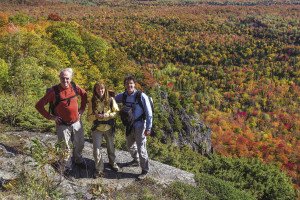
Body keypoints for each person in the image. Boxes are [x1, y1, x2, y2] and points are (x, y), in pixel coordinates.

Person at [35, 68, 87, 175]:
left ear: (71, 78)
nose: (65, 80)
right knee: (65, 147)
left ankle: (78, 159)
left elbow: (84, 94)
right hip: (62, 125)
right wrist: (51, 117)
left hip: (76, 122)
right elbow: (39, 105)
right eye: (63, 78)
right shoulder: (53, 92)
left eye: (67, 78)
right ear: (59, 78)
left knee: (80, 143)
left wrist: (82, 109)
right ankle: (66, 166)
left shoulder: (74, 86)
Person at [115, 75, 153, 179]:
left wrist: (148, 128)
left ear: (134, 84)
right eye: (127, 83)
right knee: (129, 145)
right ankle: (136, 160)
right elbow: (113, 99)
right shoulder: (123, 95)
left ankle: (145, 170)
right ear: (125, 85)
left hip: (140, 125)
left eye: (131, 83)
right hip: (129, 125)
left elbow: (149, 113)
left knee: (141, 148)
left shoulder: (141, 96)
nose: (129, 85)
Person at [87, 81, 120, 178]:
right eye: (98, 89)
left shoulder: (110, 99)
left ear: (104, 89)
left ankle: (112, 163)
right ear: (95, 90)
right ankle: (99, 169)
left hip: (109, 127)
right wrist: (96, 117)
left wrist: (107, 115)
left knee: (111, 147)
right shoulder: (92, 101)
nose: (100, 90)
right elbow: (88, 117)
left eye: (102, 88)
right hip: (97, 128)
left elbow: (117, 112)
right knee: (96, 149)